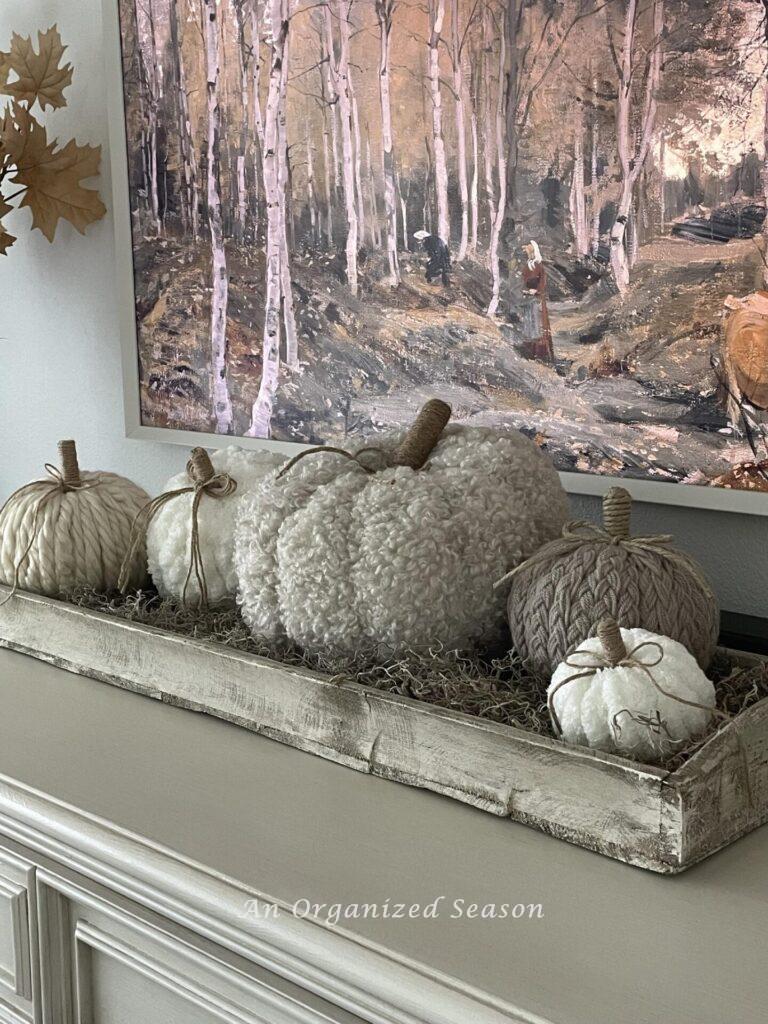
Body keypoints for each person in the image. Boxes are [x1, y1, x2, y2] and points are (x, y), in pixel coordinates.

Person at [520, 240, 554, 364]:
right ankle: (529, 351)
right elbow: (524, 281)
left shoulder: (539, 266)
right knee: (529, 323)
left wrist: (537, 291)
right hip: (528, 298)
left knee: (538, 323)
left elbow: (542, 283)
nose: (527, 253)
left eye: (529, 250)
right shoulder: (527, 265)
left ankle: (540, 353)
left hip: (538, 299)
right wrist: (525, 290)